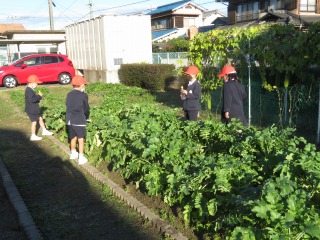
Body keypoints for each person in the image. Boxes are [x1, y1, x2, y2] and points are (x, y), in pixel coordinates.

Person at [66, 75, 90, 165]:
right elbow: (86, 108)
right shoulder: (83, 95)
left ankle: (73, 153)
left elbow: (68, 105)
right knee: (81, 139)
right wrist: (87, 117)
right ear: (81, 85)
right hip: (79, 119)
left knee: (73, 137)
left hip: (69, 119)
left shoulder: (69, 94)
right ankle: (81, 157)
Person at [25, 75, 53, 141]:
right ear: (32, 83)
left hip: (34, 109)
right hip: (32, 110)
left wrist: (38, 98)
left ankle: (44, 130)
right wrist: (39, 96)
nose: (37, 84)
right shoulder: (29, 90)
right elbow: (32, 100)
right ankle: (33, 135)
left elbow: (33, 99)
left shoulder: (30, 89)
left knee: (40, 119)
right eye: (36, 83)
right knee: (34, 122)